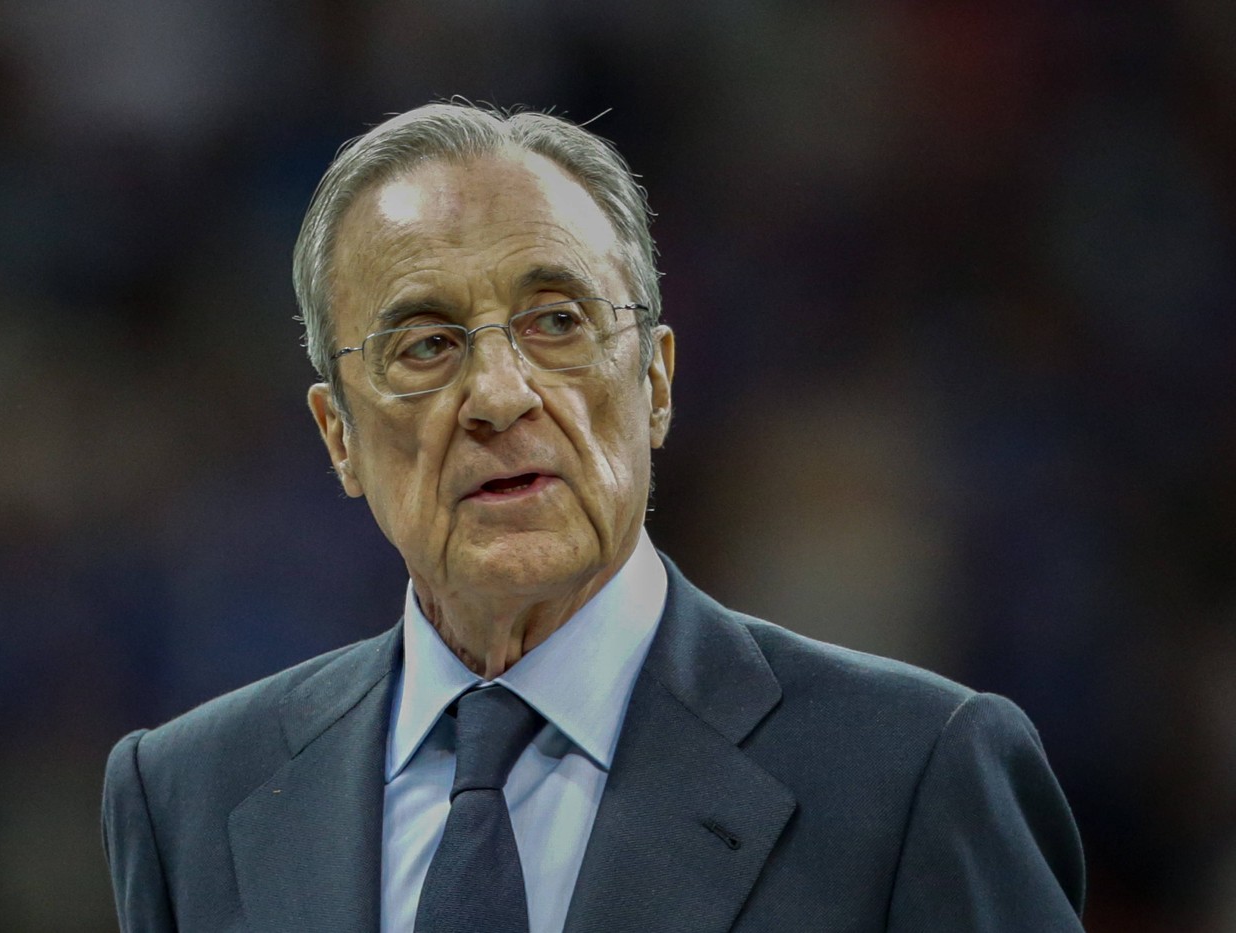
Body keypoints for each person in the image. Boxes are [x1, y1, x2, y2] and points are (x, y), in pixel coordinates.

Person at [102, 102, 1085, 932]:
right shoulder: (190, 797)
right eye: (425, 345)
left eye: (556, 323)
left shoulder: (912, 774)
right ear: (339, 436)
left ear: (654, 381)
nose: (496, 394)